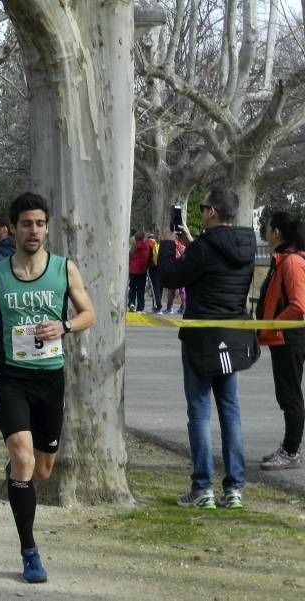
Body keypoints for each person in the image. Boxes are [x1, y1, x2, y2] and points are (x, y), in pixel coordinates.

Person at [0, 192, 95, 584]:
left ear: (47, 227)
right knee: (23, 460)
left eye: (39, 223)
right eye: (26, 224)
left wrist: (64, 326)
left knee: (44, 470)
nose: (33, 231)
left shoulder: (64, 270)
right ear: (13, 228)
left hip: (50, 378)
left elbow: (89, 313)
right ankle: (30, 551)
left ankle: (20, 470)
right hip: (12, 378)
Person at [158, 185, 258, 510]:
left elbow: (171, 278)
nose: (201, 213)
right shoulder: (246, 245)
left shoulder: (203, 247)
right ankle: (235, 489)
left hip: (202, 340)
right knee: (231, 413)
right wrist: (192, 244)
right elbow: (216, 265)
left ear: (212, 211)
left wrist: (167, 244)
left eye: (203, 208)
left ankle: (203, 488)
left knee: (199, 413)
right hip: (234, 336)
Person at [256, 211, 305, 470]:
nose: (264, 231)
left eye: (267, 227)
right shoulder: (283, 259)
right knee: (287, 393)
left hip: (289, 336)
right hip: (284, 336)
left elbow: (298, 305)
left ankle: (291, 450)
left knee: (290, 395)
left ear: (276, 233)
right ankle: (289, 446)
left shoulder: (291, 262)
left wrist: (275, 323)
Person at [127, 231, 152, 312]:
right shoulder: (146, 246)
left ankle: (131, 303)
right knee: (141, 290)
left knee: (132, 288)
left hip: (132, 271)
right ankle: (140, 306)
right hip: (142, 271)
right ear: (143, 237)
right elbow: (147, 258)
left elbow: (129, 258)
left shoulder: (133, 247)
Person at [163, 238, 187, 314]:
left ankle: (169, 308)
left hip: (173, 268)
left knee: (171, 290)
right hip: (182, 268)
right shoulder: (183, 245)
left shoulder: (172, 244)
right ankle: (184, 307)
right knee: (182, 290)